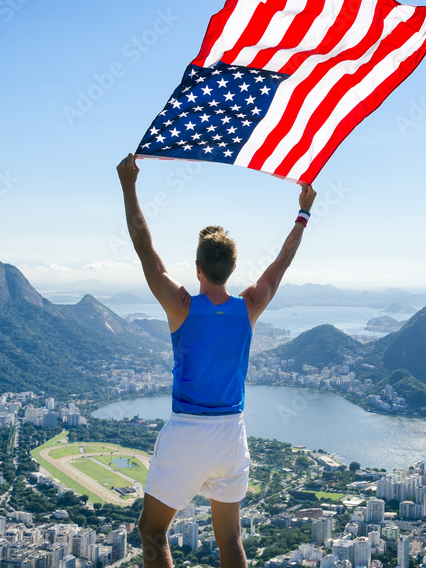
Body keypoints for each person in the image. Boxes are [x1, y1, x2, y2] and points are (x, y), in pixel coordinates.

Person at [117, 153, 316, 568]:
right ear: (232, 268)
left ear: (198, 268)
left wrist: (129, 184)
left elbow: (144, 249)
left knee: (152, 531)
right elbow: (281, 263)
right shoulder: (250, 305)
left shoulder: (181, 306)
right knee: (230, 539)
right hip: (232, 435)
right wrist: (303, 212)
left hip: (189, 431)